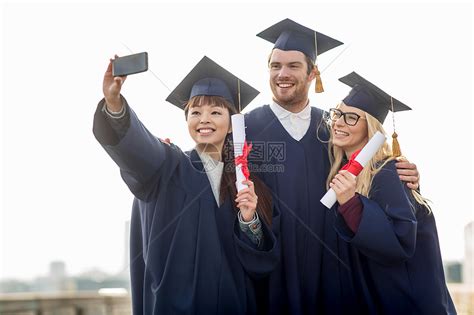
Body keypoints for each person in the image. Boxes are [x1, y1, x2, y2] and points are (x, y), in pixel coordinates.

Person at [244, 18, 421, 314]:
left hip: (333, 274)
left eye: (293, 66)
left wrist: (406, 174)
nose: (282, 74)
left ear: (314, 72)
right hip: (271, 277)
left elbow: (370, 167)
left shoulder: (332, 129)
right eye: (275, 66)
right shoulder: (246, 129)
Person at [93, 55, 280, 314]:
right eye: (196, 112)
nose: (204, 119)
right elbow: (139, 149)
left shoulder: (247, 182)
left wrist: (249, 220)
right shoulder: (169, 165)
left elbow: (261, 263)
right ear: (187, 120)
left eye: (215, 112)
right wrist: (114, 104)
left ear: (231, 125)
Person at [325, 71, 456, 314]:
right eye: (337, 113)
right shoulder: (347, 172)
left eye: (352, 117)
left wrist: (351, 204)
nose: (339, 122)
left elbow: (400, 243)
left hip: (405, 304)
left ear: (371, 129)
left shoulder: (389, 173)